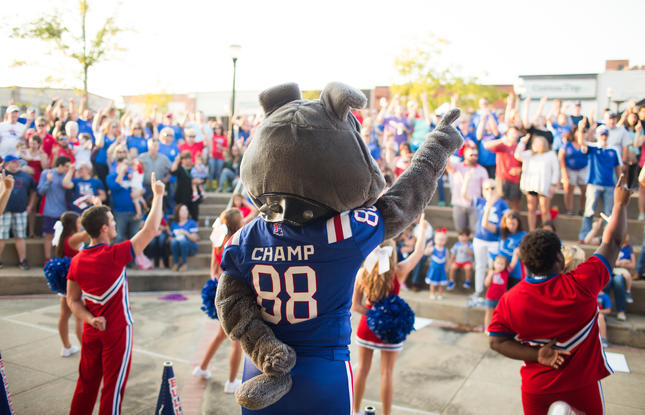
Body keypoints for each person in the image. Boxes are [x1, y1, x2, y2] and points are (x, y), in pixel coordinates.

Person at [488, 174, 632, 415]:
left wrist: (536, 355)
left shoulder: (511, 299)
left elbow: (496, 341)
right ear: (558, 259)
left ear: (525, 263)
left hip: (537, 389)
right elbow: (613, 242)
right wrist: (620, 204)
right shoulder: (582, 283)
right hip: (582, 386)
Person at [66, 173, 165, 415]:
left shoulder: (77, 261)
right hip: (116, 330)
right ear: (103, 229)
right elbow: (151, 229)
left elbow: (72, 300)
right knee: (112, 388)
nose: (114, 224)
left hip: (91, 330)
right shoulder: (114, 255)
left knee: (85, 385)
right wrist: (159, 194)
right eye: (111, 221)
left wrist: (89, 319)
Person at [352, 216, 428, 415]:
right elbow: (419, 252)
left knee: (361, 369)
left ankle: (355, 410)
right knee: (387, 373)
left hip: (367, 328)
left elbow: (356, 306)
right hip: (391, 329)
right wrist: (423, 228)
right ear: (392, 255)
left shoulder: (363, 273)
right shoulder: (399, 271)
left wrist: (374, 314)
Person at [193, 208, 244, 393]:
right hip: (233, 293)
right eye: (243, 220)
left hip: (219, 290)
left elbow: (213, 271)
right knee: (236, 339)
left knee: (222, 334)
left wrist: (217, 286)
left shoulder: (218, 241)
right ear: (238, 225)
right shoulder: (237, 244)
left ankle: (202, 368)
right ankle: (231, 383)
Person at [464, 178, 508, 298]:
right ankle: (478, 291)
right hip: (479, 238)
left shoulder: (501, 203)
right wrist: (467, 178)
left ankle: (491, 292)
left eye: (492, 188)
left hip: (494, 240)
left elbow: (507, 221)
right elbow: (464, 196)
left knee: (492, 266)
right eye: (486, 188)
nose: (490, 191)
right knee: (479, 265)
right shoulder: (481, 201)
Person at [54, 211, 89, 357]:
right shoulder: (73, 239)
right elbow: (90, 231)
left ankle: (66, 347)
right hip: (75, 281)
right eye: (79, 221)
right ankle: (86, 350)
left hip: (65, 281)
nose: (80, 223)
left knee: (64, 315)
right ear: (72, 224)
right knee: (79, 318)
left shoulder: (63, 238)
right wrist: (97, 206)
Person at [577, 126, 621, 243]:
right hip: (594, 183)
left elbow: (618, 168)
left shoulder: (613, 151)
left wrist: (621, 183)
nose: (604, 136)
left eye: (605, 134)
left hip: (609, 185)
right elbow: (581, 142)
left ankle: (607, 238)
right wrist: (581, 129)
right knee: (589, 211)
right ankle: (583, 236)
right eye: (602, 134)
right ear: (597, 135)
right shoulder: (592, 148)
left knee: (608, 213)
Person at [515, 134, 560, 231]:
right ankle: (532, 230)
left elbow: (556, 170)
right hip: (531, 185)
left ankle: (547, 229)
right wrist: (522, 142)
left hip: (544, 186)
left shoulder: (550, 155)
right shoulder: (529, 154)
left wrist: (553, 184)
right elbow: (517, 155)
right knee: (531, 209)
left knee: (544, 209)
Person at [38, 156, 75, 263]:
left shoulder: (67, 176)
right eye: (66, 166)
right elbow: (40, 191)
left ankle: (61, 257)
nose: (68, 168)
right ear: (60, 165)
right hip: (49, 210)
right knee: (48, 235)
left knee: (63, 236)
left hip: (63, 211)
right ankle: (47, 258)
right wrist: (48, 182)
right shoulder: (46, 173)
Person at [445, 145, 489, 234]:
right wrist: (447, 150)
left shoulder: (482, 170)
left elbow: (486, 189)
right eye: (471, 155)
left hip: (474, 205)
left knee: (475, 231)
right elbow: (447, 165)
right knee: (460, 232)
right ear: (465, 154)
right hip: (459, 204)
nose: (474, 157)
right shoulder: (457, 166)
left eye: (476, 155)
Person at [559, 121, 589, 215]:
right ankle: (569, 209)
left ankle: (582, 209)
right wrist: (564, 172)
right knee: (569, 189)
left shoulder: (584, 144)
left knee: (585, 190)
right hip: (570, 169)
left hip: (583, 169)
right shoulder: (567, 144)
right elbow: (561, 157)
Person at [498, 211, 526, 288]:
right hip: (501, 269)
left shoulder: (523, 235)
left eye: (513, 224)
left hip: (515, 271)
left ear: (518, 223)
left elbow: (526, 253)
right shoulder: (502, 233)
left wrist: (518, 253)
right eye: (509, 223)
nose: (511, 226)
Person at [169, 203, 199, 271]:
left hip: (190, 248)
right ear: (178, 213)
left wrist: (185, 233)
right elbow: (170, 238)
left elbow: (194, 238)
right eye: (182, 210)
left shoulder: (192, 222)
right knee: (174, 241)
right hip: (177, 248)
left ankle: (184, 264)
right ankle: (176, 263)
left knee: (183, 240)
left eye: (186, 210)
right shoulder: (174, 224)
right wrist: (174, 238)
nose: (185, 212)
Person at [171, 151, 199, 220]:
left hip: (193, 195)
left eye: (189, 158)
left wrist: (199, 181)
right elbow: (173, 171)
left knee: (195, 214)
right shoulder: (180, 168)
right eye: (185, 159)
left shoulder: (195, 168)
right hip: (181, 195)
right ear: (182, 160)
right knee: (180, 213)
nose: (188, 160)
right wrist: (176, 161)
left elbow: (203, 177)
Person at [484, 255, 509, 332]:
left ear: (505, 265)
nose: (499, 265)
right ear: (494, 263)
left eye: (502, 264)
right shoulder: (491, 272)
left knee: (498, 314)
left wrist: (515, 254)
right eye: (498, 263)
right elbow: (486, 284)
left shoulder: (505, 272)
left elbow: (512, 264)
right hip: (491, 297)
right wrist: (491, 275)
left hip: (500, 297)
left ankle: (495, 328)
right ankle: (487, 329)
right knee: (489, 313)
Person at [425, 228, 449, 299]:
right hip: (433, 269)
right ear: (435, 240)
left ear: (445, 241)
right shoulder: (433, 248)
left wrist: (447, 267)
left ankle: (440, 294)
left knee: (440, 283)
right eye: (438, 239)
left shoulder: (445, 250)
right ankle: (432, 293)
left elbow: (448, 259)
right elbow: (426, 253)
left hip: (441, 270)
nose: (440, 241)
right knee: (433, 283)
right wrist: (428, 247)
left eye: (442, 240)